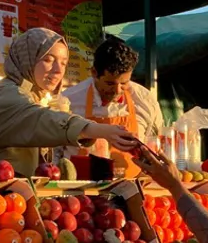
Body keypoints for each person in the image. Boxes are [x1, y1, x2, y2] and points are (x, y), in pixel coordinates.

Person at [0, 28, 140, 177]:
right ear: (27, 58)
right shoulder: (6, 95)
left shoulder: (30, 95)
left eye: (63, 63)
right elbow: (40, 119)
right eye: (48, 60)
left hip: (10, 200)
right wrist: (99, 130)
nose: (57, 70)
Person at [61, 37, 165, 180]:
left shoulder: (145, 100)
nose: (117, 90)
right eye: (110, 83)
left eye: (124, 83)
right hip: (82, 191)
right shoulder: (69, 100)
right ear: (94, 73)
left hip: (132, 187)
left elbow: (154, 143)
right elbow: (56, 150)